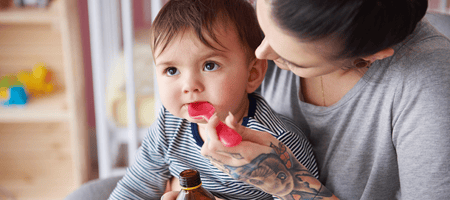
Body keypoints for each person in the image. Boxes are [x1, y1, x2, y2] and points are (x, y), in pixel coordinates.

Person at [169, 0, 449, 199]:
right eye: (263, 27)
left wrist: (288, 187)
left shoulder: (428, 89)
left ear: (372, 55)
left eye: (291, 60)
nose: (261, 53)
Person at [108, 0, 319, 199]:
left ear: (252, 74)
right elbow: (134, 188)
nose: (190, 85)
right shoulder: (168, 125)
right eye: (172, 70)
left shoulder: (279, 141)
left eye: (210, 65)